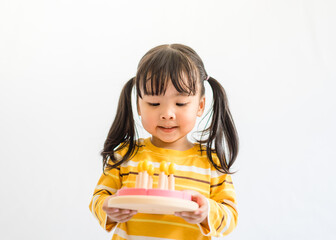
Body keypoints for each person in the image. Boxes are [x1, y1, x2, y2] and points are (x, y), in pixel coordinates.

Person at [89, 43, 239, 239]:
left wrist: (206, 212)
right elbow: (98, 199)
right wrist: (108, 207)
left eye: (181, 103)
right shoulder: (125, 154)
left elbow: (230, 216)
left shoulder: (211, 162)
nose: (167, 114)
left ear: (200, 106)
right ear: (139, 106)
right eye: (154, 103)